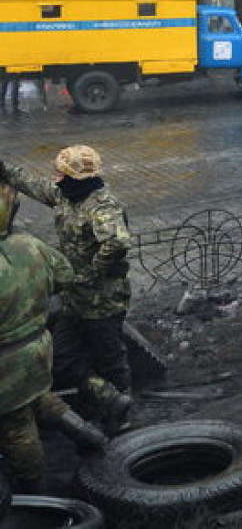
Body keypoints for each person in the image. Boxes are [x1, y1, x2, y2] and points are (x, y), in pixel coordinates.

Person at [0, 146, 133, 435]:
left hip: (102, 301)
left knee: (110, 359)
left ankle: (122, 416)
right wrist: (5, 169)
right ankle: (108, 398)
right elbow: (33, 185)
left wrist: (92, 271)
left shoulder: (101, 206)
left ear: (77, 177)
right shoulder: (65, 195)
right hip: (74, 300)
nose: (55, 177)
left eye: (61, 172)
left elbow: (119, 242)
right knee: (62, 358)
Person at [0, 184, 111, 493]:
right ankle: (91, 437)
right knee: (36, 397)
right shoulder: (29, 245)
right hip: (36, 349)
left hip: (4, 362)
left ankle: (34, 492)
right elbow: (65, 278)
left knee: (15, 428)